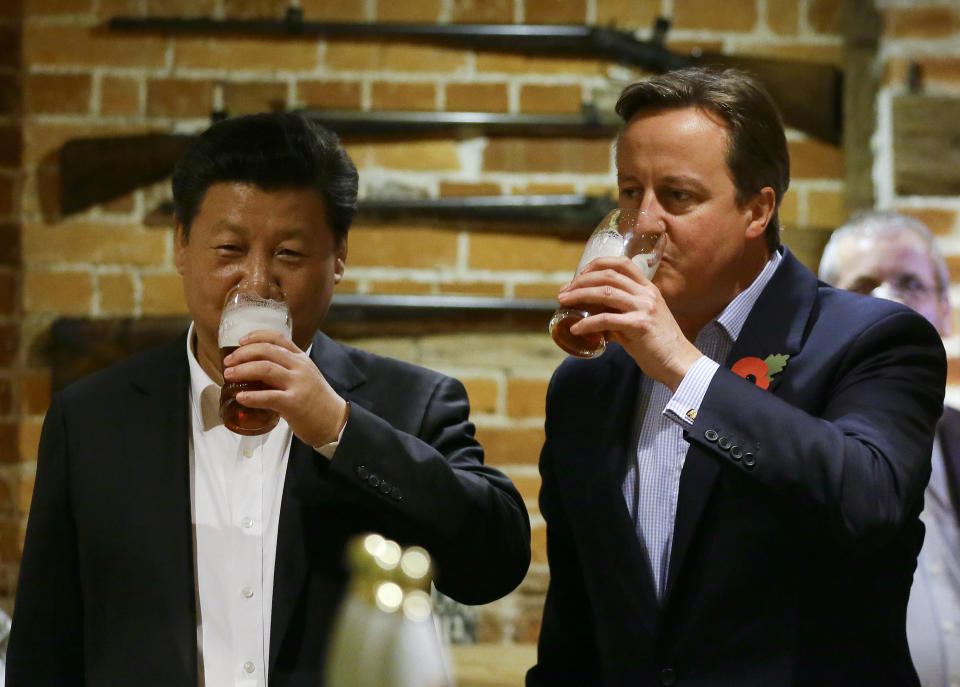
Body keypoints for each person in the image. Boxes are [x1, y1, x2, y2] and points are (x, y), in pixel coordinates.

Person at [6, 112, 531, 687]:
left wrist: (338, 427)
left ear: (337, 258)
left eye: (289, 255)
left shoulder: (410, 402)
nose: (256, 282)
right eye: (230, 248)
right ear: (181, 245)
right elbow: (44, 645)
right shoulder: (93, 419)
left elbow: (493, 564)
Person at [527, 68, 946, 687]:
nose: (643, 222)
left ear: (758, 208)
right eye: (628, 193)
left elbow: (868, 500)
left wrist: (680, 364)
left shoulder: (873, 339)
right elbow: (575, 631)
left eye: (677, 197)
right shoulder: (587, 385)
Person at [819, 210, 960, 687]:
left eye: (910, 283)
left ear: (945, 309)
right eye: (863, 286)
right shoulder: (798, 445)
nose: (888, 304)